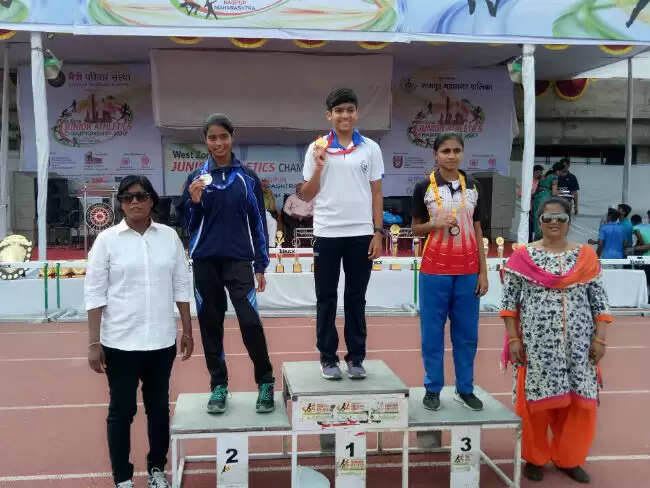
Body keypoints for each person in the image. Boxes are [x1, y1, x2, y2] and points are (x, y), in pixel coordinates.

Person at [85, 175, 194, 488]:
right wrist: (94, 342)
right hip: (120, 343)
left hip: (161, 341)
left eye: (141, 196)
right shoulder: (106, 240)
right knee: (122, 411)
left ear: (152, 201)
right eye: (127, 197)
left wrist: (187, 330)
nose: (134, 202)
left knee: (158, 409)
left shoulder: (169, 237)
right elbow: (94, 292)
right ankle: (123, 478)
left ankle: (157, 469)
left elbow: (181, 284)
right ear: (120, 203)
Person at [500, 196, 612, 484]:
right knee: (534, 406)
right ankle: (534, 458)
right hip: (536, 347)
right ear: (539, 222)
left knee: (578, 406)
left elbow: (600, 301)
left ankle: (569, 459)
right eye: (547, 218)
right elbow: (509, 302)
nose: (554, 223)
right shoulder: (522, 257)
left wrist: (600, 340)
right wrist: (513, 339)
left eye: (560, 218)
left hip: (580, 348)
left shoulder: (586, 257)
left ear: (569, 222)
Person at [180, 113, 275, 414]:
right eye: (212, 137)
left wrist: (261, 264)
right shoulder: (195, 179)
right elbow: (188, 225)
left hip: (238, 260)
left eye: (223, 136)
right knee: (211, 325)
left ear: (232, 137)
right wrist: (194, 203)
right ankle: (218, 385)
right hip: (205, 261)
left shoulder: (247, 178)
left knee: (250, 322)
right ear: (205, 141)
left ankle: (266, 381)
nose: (218, 143)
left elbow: (258, 222)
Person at [300, 88, 384, 380]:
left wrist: (377, 231)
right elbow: (307, 194)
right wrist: (319, 167)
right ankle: (327, 358)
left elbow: (377, 193)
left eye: (349, 109)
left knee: (356, 297)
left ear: (356, 113)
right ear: (329, 115)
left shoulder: (371, 148)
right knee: (326, 297)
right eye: (338, 110)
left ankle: (356, 357)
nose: (344, 115)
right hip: (326, 233)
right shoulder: (316, 148)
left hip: (361, 233)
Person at [411, 132, 489, 412]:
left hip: (467, 271)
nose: (451, 155)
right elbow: (414, 229)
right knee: (432, 334)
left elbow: (478, 230)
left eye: (456, 150)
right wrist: (434, 224)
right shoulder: (424, 187)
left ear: (463, 153)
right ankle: (433, 388)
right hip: (434, 271)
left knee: (467, 334)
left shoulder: (475, 186)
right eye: (445, 151)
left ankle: (465, 389)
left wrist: (483, 272)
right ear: (436, 155)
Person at [532, 163, 559, 239]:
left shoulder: (542, 177)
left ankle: (537, 237)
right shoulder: (554, 177)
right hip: (546, 198)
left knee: (537, 218)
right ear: (558, 171)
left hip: (538, 199)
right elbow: (554, 193)